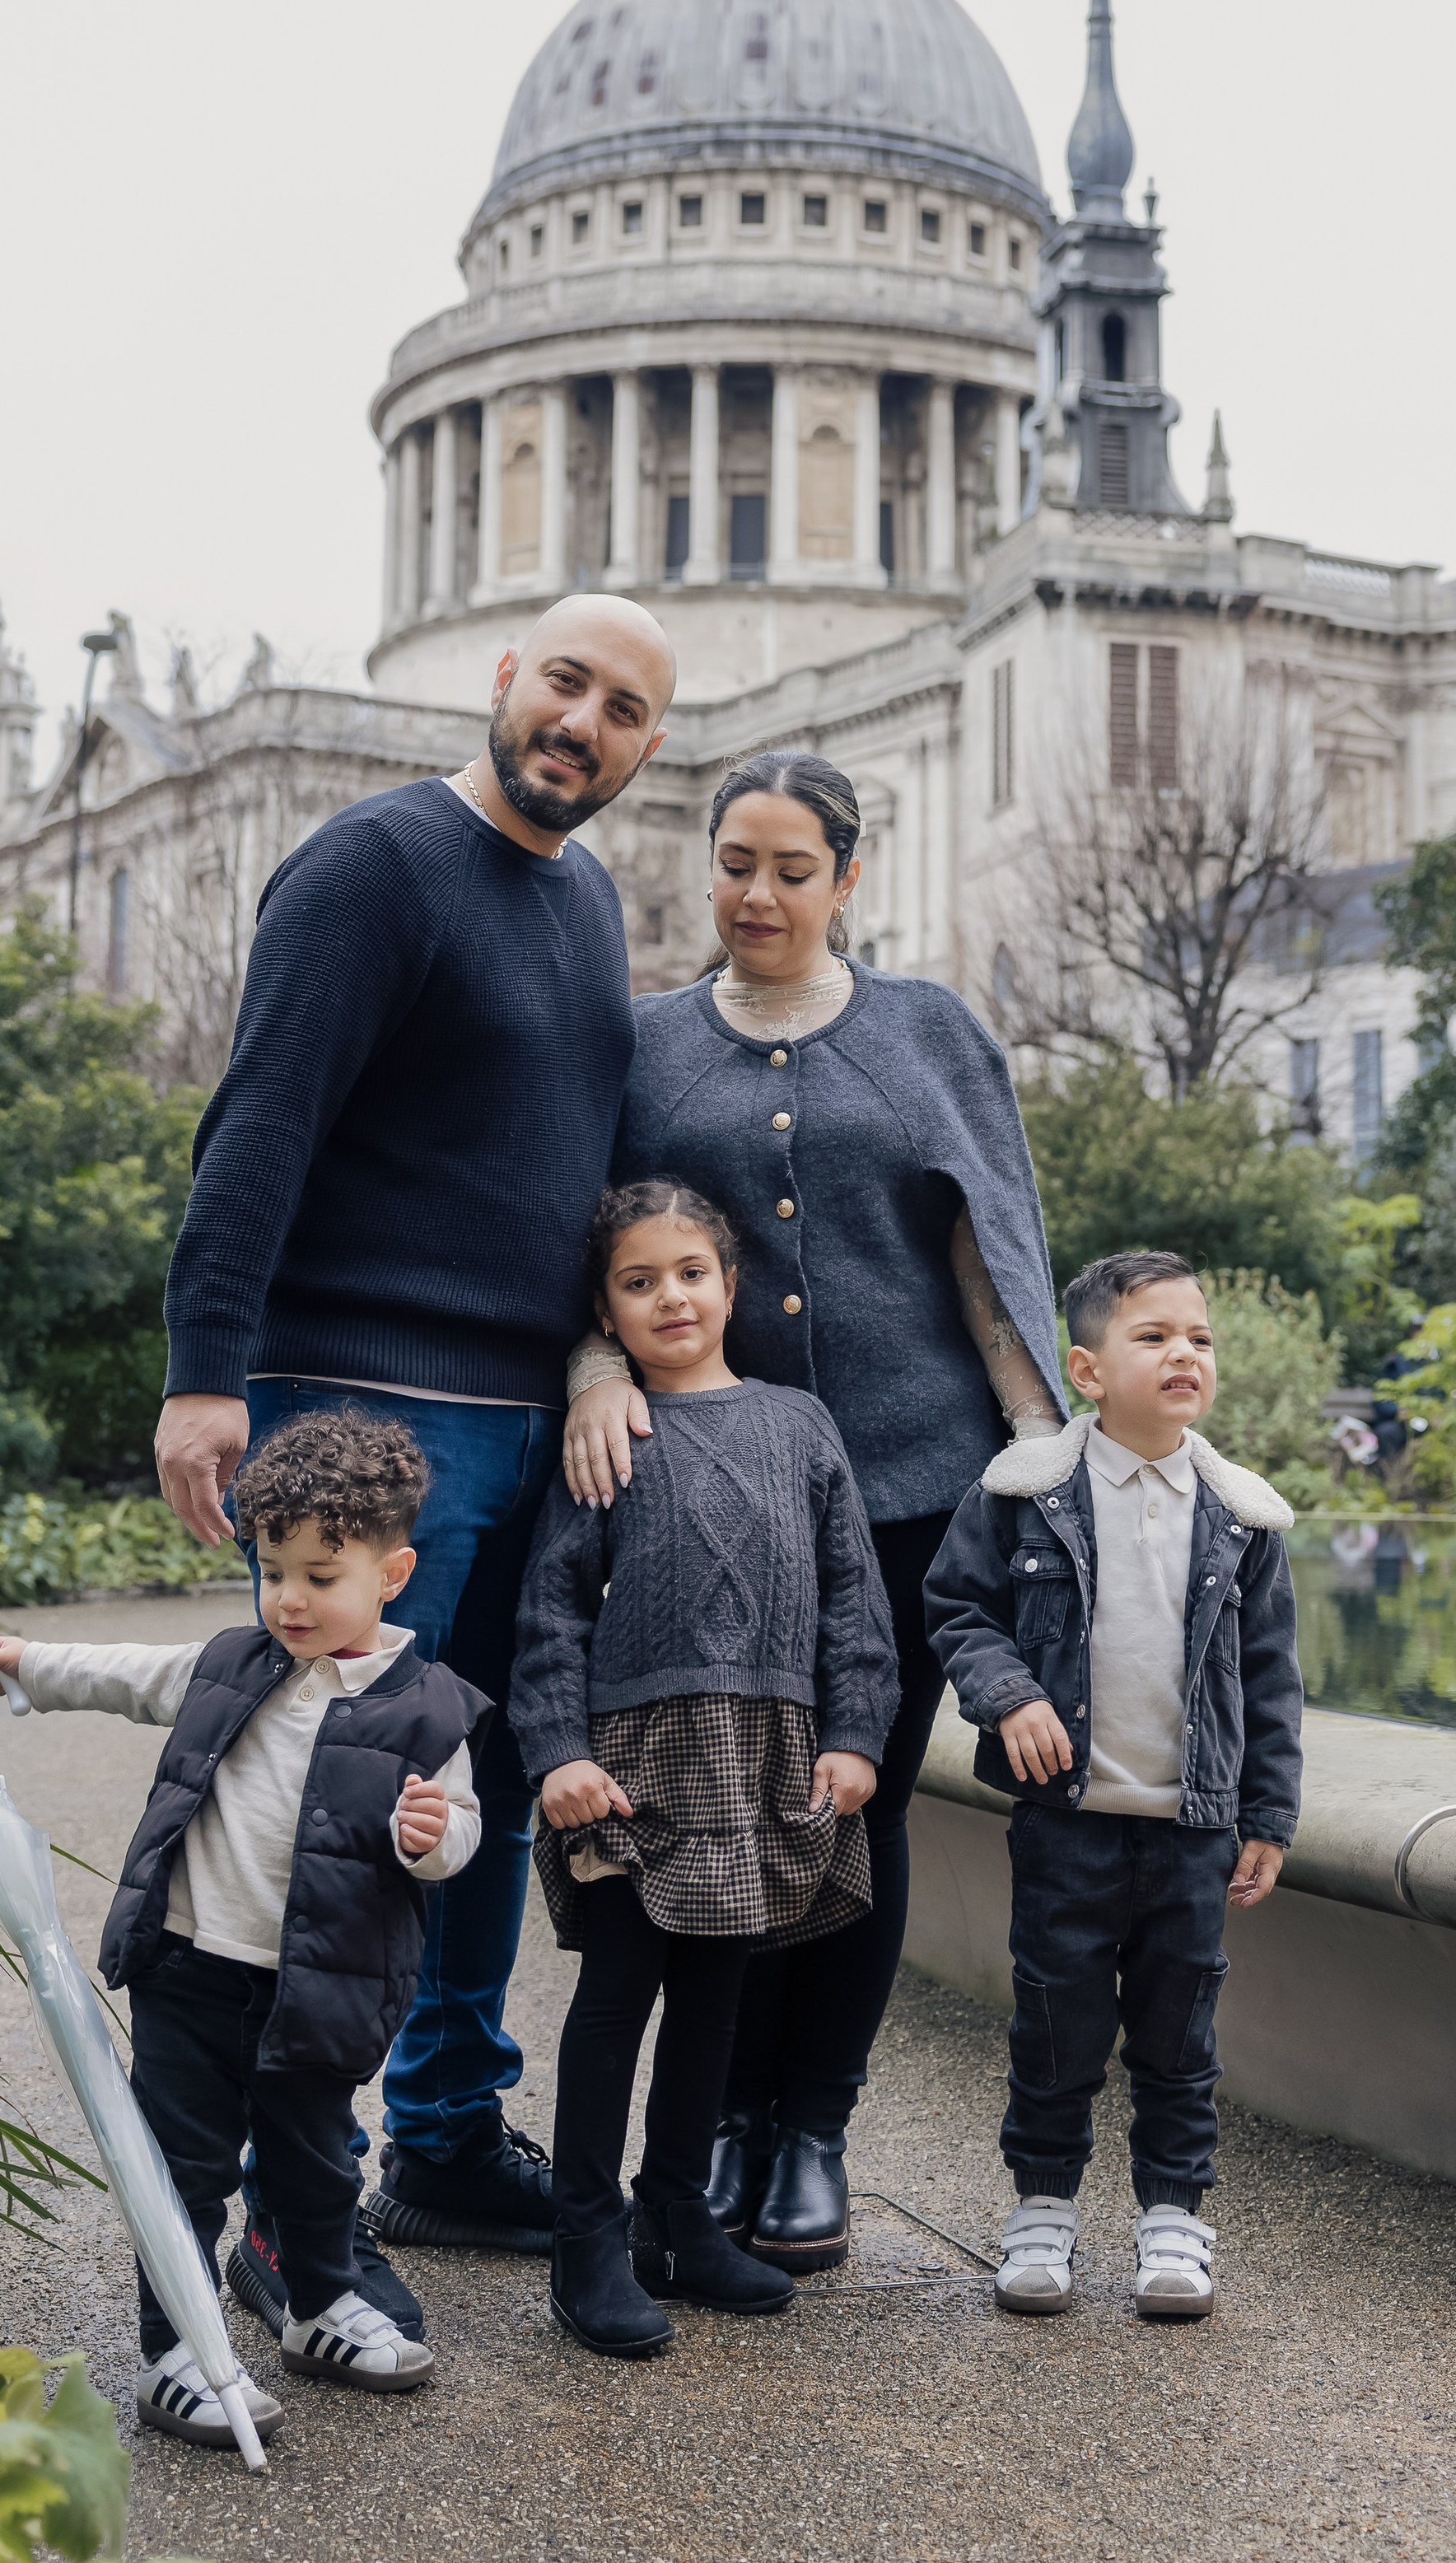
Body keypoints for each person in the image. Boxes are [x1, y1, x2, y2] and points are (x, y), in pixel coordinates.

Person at [152, 593, 675, 2320]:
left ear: (647, 744)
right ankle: (289, 2203)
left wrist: (595, 1359)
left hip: (529, 1423)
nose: (583, 723)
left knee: (490, 1788)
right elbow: (261, 1124)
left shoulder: (585, 900)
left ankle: (445, 2133)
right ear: (504, 676)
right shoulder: (373, 866)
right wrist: (203, 1374)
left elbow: (574, 1174)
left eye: (625, 709)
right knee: (340, 1810)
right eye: (566, 682)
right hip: (363, 1407)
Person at [563, 751, 1062, 2273]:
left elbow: (991, 1248)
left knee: (858, 1797)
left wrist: (1040, 1456)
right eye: (736, 864)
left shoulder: (928, 1031)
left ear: (849, 878)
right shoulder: (647, 1048)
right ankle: (718, 2122)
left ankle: (811, 2132)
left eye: (792, 869)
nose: (759, 895)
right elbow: (589, 1242)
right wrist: (595, 1369)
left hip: (916, 1486)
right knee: (728, 1801)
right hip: (719, 1499)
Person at [0, 1412, 483, 2445]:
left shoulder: (429, 1711)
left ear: (392, 1574)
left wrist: (432, 1837)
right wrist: (29, 1663)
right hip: (190, 1973)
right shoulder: (230, 1664)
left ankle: (320, 2305)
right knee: (182, 2170)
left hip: (318, 1987)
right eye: (271, 1569)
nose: (289, 1598)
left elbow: (460, 1828)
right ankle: (178, 2352)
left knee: (317, 2165)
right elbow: (123, 1673)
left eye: (321, 1575)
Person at [513, 1180, 898, 2355]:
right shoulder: (609, 1431)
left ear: (732, 1286)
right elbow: (551, 1609)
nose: (670, 1297)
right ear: (606, 1311)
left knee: (717, 1999)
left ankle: (676, 2218)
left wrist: (856, 1733)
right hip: (635, 1767)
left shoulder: (800, 1423)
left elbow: (853, 1595)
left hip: (762, 1759)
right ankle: (587, 2241)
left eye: (690, 1273)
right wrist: (558, 1753)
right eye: (639, 1282)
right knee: (617, 1996)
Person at [923, 1250, 1304, 2326]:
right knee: (1057, 2024)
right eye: (1155, 1336)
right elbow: (957, 1607)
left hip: (1191, 1829)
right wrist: (1008, 1695)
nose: (1185, 1353)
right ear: (1087, 1370)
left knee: (1181, 2036)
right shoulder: (1024, 1493)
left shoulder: (1242, 1514)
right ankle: (1042, 2207)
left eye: (1200, 1338)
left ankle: (1173, 2217)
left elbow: (1271, 1679)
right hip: (1068, 1824)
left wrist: (1267, 1815)